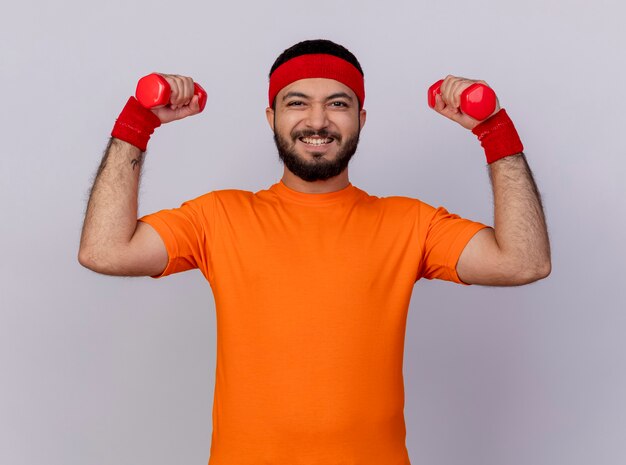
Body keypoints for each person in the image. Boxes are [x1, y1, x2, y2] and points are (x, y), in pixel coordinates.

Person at [78, 39, 551, 465]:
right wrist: (137, 123)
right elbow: (105, 251)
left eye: (338, 104)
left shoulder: (410, 223)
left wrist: (495, 131)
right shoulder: (219, 216)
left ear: (361, 119)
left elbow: (523, 261)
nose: (317, 120)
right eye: (297, 103)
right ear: (272, 117)